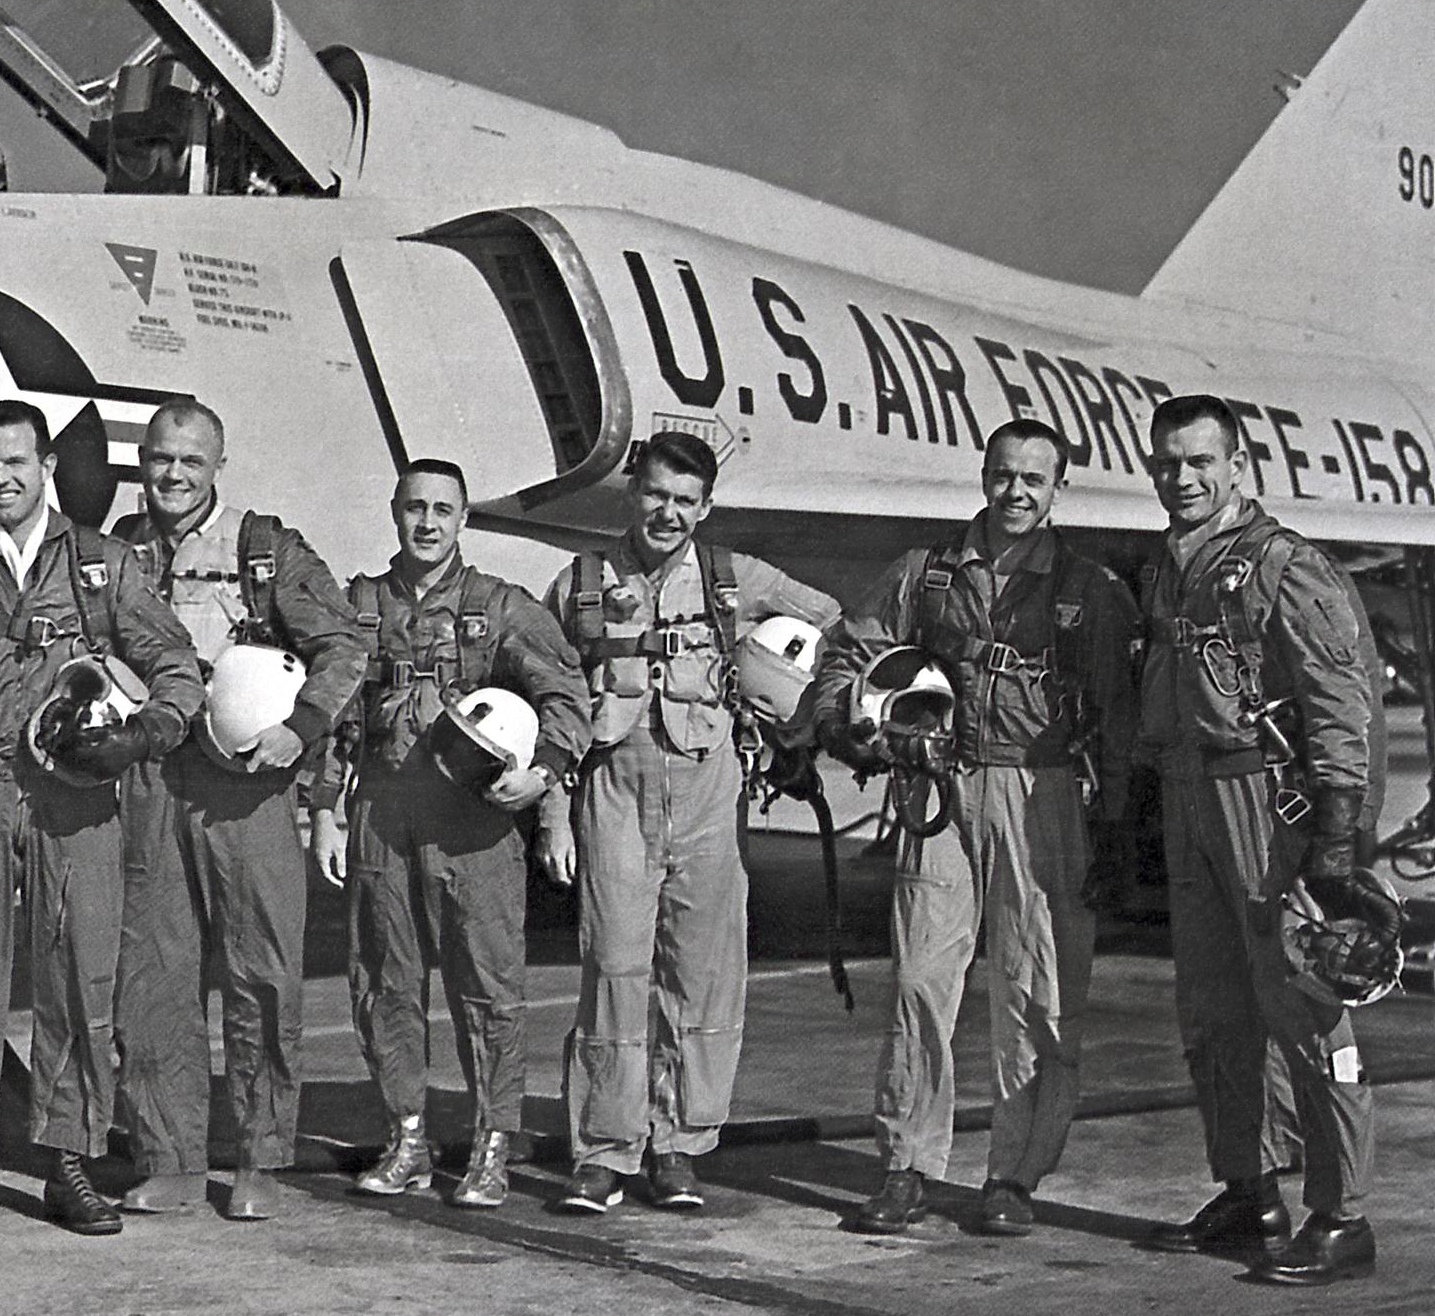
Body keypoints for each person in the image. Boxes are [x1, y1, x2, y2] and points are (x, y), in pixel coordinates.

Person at [0, 399, 203, 1243]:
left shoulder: (103, 564)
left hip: (74, 796)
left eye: (15, 462)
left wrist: (141, 736)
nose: (0, 478)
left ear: (46, 466)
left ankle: (70, 1163)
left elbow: (177, 666)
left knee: (80, 979)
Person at [808, 419, 1140, 1236]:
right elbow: (845, 657)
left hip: (1045, 792)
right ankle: (905, 1164)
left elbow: (1121, 715)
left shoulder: (1089, 591)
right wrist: (857, 729)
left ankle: (1014, 1176)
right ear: (983, 477)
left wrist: (1120, 828)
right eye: (1003, 475)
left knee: (1036, 990)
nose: (1016, 493)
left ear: (1059, 487)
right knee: (922, 979)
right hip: (942, 787)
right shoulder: (927, 576)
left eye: (1034, 479)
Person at [540, 432, 839, 1213]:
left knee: (701, 976)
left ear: (704, 507)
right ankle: (605, 1150)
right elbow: (554, 701)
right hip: (614, 788)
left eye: (685, 501)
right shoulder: (578, 585)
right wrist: (553, 817)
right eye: (655, 495)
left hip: (711, 790)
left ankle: (678, 1146)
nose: (667, 512)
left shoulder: (735, 579)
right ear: (631, 493)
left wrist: (791, 714)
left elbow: (834, 625)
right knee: (612, 968)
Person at [1135, 395, 1385, 1286]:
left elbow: (1340, 703)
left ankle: (1341, 1213)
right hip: (1191, 795)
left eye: (1201, 462)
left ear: (1239, 465)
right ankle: (1251, 1190)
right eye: (1167, 462)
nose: (1183, 478)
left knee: (1307, 1007)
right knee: (1213, 1012)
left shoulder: (1286, 565)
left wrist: (1337, 840)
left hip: (1267, 804)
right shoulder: (1173, 566)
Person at [112, 400, 366, 1221]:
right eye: (159, 459)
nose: (173, 475)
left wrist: (303, 729)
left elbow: (345, 646)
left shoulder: (266, 552)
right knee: (155, 977)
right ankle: (174, 1157)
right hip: (152, 780)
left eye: (190, 461)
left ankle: (260, 1158)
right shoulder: (120, 551)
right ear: (142, 461)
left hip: (248, 787)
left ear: (218, 465)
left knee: (261, 976)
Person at [312, 459, 589, 1209]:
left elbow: (566, 691)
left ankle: (493, 1143)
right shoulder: (358, 606)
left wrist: (546, 772)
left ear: (463, 519)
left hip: (472, 822)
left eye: (443, 510)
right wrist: (325, 812)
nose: (427, 523)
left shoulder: (500, 607)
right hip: (382, 815)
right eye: (414, 509)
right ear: (394, 512)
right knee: (383, 982)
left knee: (489, 987)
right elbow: (332, 714)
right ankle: (408, 1138)